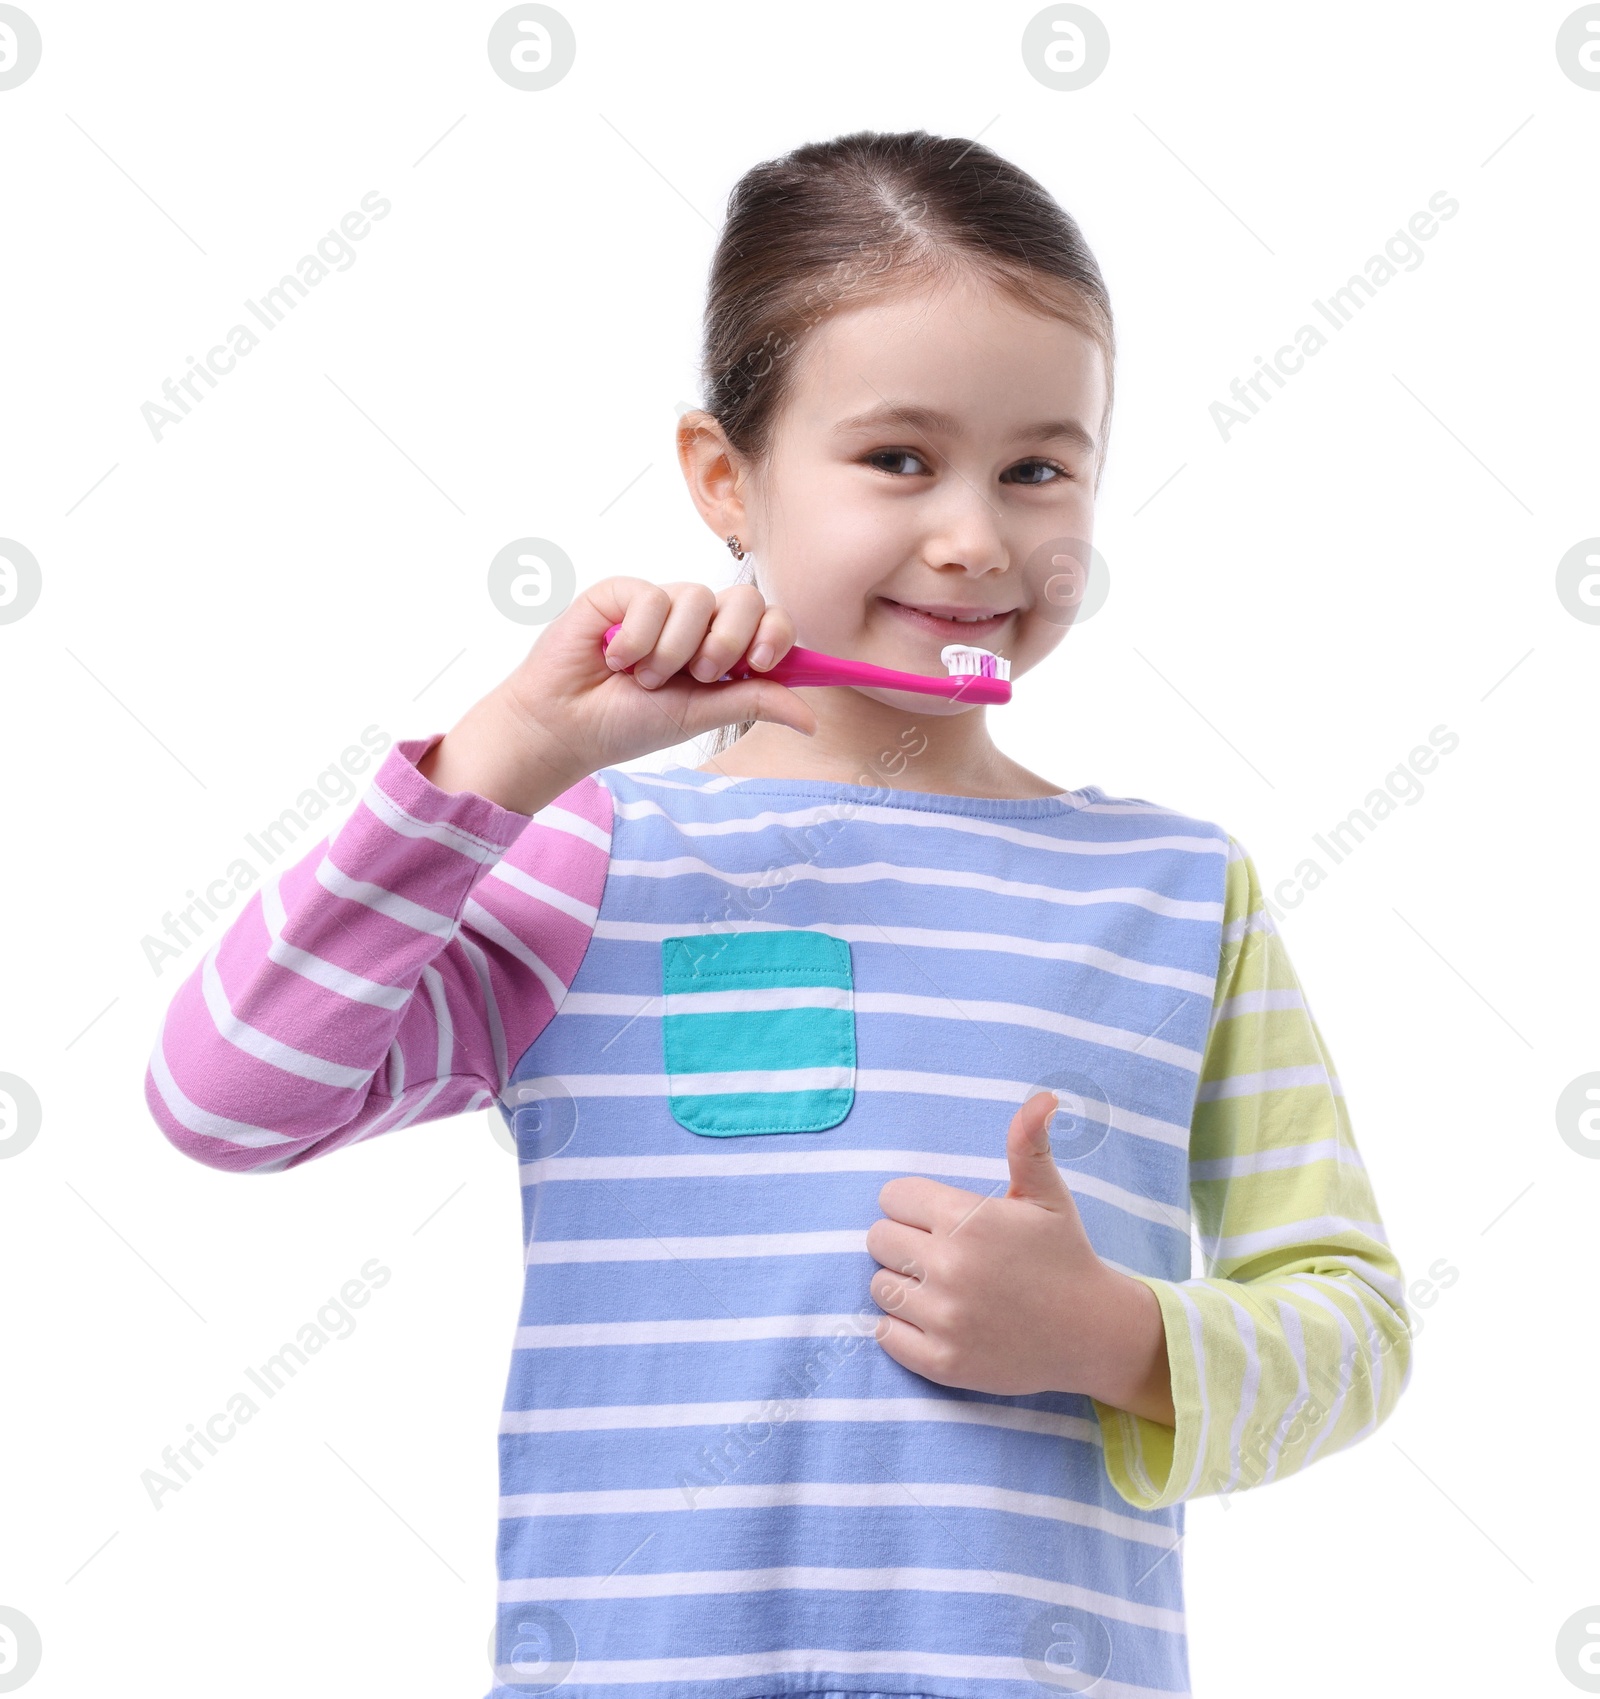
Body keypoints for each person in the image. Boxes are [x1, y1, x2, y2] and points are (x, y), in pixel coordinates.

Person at [145, 129, 1413, 1699]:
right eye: (899, 459)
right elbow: (224, 1099)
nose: (976, 535)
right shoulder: (588, 850)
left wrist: (1112, 1337)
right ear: (724, 479)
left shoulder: (1177, 891)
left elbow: (1353, 1328)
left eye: (1041, 465)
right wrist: (505, 760)